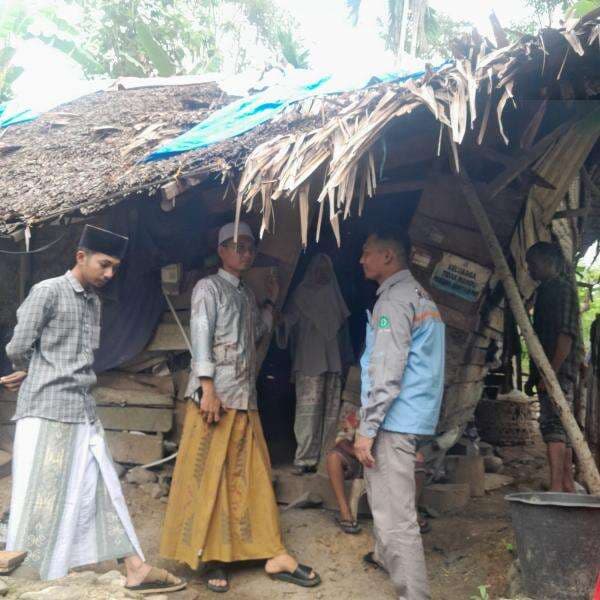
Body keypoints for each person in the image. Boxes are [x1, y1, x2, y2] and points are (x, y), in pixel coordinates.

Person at [1, 225, 185, 594]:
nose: (109, 274)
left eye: (115, 267)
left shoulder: (93, 302)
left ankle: (135, 567)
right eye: (104, 264)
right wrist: (36, 370)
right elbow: (18, 347)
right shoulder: (48, 292)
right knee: (43, 487)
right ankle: (15, 558)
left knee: (102, 484)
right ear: (80, 257)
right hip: (49, 408)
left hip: (82, 410)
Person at [159, 222, 320, 594]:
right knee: (210, 476)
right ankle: (213, 556)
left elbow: (257, 336)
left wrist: (269, 302)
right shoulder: (207, 288)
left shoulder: (246, 294)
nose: (245, 253)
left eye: (249, 247)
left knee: (253, 476)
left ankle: (272, 552)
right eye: (237, 247)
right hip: (214, 400)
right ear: (221, 251)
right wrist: (207, 388)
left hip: (245, 400)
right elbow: (201, 336)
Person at [354, 228, 445, 600]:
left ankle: (414, 594)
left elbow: (387, 373)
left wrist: (366, 427)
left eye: (367, 252)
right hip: (411, 415)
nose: (361, 259)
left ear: (388, 257)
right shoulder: (420, 295)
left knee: (396, 515)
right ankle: (383, 556)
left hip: (395, 419)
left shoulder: (394, 301)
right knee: (384, 498)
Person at [276, 253, 352, 475]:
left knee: (330, 413)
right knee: (307, 413)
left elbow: (344, 336)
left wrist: (347, 362)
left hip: (333, 363)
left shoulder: (335, 298)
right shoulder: (301, 295)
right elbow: (287, 323)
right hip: (309, 361)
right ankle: (304, 458)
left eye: (325, 270)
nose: (321, 274)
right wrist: (280, 321)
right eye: (318, 270)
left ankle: (325, 459)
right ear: (311, 271)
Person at [524, 241, 582, 492]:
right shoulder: (545, 291)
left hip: (558, 371)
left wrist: (550, 375)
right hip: (551, 370)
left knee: (554, 426)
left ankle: (557, 487)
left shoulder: (562, 290)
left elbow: (565, 338)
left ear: (548, 262)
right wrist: (535, 376)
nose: (529, 269)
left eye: (532, 264)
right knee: (562, 425)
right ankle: (567, 484)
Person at [326, 404, 431, 535]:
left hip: (389, 460)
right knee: (333, 457)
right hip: (361, 459)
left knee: (418, 457)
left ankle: (412, 510)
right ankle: (345, 512)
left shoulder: (398, 414)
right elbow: (341, 439)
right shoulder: (359, 413)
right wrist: (357, 452)